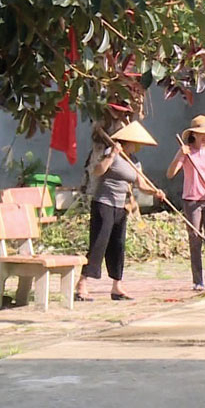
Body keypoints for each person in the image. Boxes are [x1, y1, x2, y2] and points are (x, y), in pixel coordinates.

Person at [75, 121, 165, 302]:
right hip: (103, 204)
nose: (137, 147)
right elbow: (98, 171)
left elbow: (141, 184)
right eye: (135, 143)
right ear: (127, 141)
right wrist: (113, 154)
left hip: (120, 206)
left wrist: (155, 192)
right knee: (99, 243)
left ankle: (117, 287)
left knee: (118, 245)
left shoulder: (134, 162)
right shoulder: (112, 153)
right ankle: (82, 284)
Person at [167, 115, 205, 292]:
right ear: (194, 134)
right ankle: (198, 280)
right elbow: (170, 174)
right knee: (195, 239)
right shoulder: (186, 152)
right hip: (192, 200)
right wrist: (180, 154)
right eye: (202, 134)